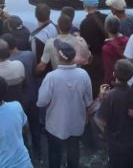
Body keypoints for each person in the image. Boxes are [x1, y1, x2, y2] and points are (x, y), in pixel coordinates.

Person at [37, 39, 93, 168]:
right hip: (76, 123)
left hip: (55, 125)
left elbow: (41, 102)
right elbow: (88, 100)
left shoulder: (51, 77)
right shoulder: (83, 74)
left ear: (58, 57)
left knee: (55, 153)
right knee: (73, 152)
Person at [95, 59, 133, 168]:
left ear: (114, 74)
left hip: (115, 144)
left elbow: (100, 120)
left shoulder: (110, 96)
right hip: (131, 142)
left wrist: (101, 99)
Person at [78, 0, 107, 95]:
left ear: (85, 6)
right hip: (107, 56)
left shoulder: (85, 23)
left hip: (92, 60)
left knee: (94, 87)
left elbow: (84, 45)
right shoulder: (107, 18)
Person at [102, 15, 129, 85]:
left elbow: (109, 70)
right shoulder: (127, 40)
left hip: (116, 82)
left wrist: (108, 83)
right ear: (119, 26)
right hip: (128, 78)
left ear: (106, 28)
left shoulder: (107, 48)